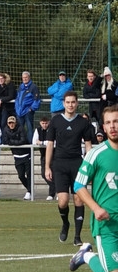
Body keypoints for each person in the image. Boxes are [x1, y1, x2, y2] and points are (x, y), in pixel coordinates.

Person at [69, 104, 118, 272]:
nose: (112, 126)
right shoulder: (96, 154)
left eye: (116, 122)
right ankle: (87, 256)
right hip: (107, 225)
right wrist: (96, 209)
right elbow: (78, 185)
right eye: (108, 123)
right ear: (103, 127)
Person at [45, 91, 96, 245]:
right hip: (59, 164)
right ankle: (65, 223)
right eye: (68, 102)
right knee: (63, 201)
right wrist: (47, 166)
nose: (70, 105)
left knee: (79, 198)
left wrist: (89, 166)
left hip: (77, 164)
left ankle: (77, 237)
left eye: (73, 102)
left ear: (77, 103)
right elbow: (50, 145)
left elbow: (88, 146)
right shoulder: (56, 121)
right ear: (63, 104)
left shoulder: (83, 122)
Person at [2, 115, 32, 200]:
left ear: (15, 123)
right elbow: (6, 140)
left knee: (29, 175)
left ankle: (29, 191)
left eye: (13, 123)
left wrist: (12, 142)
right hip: (16, 156)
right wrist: (15, 142)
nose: (11, 124)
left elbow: (23, 140)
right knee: (21, 176)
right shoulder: (6, 130)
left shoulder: (21, 128)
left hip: (26, 155)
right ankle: (29, 189)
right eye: (9, 123)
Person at [32, 115, 55, 200]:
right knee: (43, 174)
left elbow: (53, 142)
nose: (44, 125)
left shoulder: (52, 129)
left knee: (54, 174)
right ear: (40, 123)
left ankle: (51, 194)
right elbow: (34, 142)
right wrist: (46, 142)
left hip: (53, 155)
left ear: (49, 123)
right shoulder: (37, 130)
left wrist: (42, 142)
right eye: (43, 123)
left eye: (46, 123)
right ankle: (55, 188)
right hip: (43, 155)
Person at [15, 70, 40, 142]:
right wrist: (16, 108)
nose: (24, 79)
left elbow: (36, 99)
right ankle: (21, 142)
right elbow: (17, 98)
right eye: (23, 77)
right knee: (20, 128)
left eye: (26, 77)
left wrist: (31, 108)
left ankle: (30, 144)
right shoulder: (20, 87)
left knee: (29, 128)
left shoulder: (33, 87)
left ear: (29, 77)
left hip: (28, 111)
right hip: (20, 111)